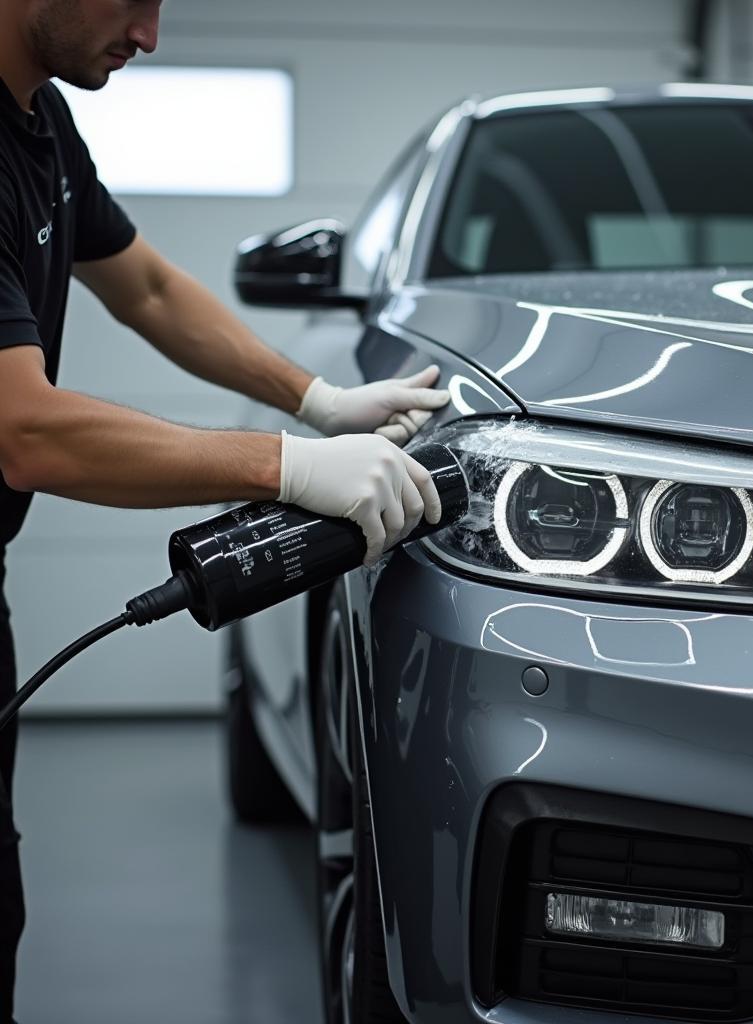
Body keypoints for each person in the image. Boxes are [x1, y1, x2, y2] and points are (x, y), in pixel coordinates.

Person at [0, 1, 451, 1019]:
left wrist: (320, 399)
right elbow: (23, 429)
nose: (150, 36)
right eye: (133, 2)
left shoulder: (39, 123)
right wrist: (286, 466)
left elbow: (150, 289)